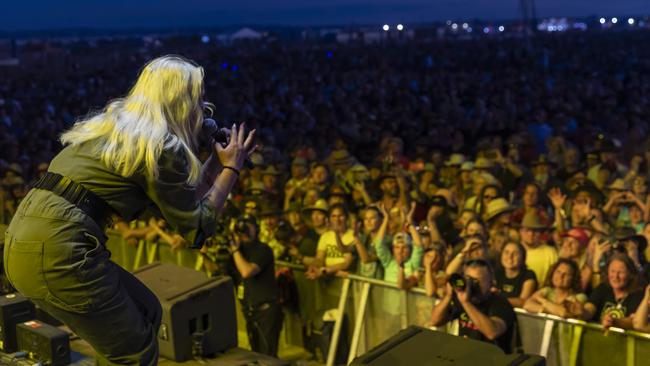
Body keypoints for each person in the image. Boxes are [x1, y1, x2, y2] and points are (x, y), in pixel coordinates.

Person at [3, 55, 256, 365]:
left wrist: (218, 162)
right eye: (199, 98)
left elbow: (187, 204)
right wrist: (232, 168)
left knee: (147, 309)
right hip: (58, 251)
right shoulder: (162, 146)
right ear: (182, 100)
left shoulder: (112, 127)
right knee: (133, 353)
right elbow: (197, 227)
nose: (205, 107)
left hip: (24, 243)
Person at [431, 259, 516, 353]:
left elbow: (492, 332)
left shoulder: (500, 303)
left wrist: (466, 303)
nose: (472, 284)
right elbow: (434, 321)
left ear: (491, 282)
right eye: (468, 279)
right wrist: (448, 296)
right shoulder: (461, 299)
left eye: (477, 280)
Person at [228, 216, 283, 357]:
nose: (244, 228)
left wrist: (235, 251)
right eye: (241, 225)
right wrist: (206, 254)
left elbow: (247, 271)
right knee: (256, 354)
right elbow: (218, 272)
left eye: (248, 225)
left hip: (266, 311)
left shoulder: (263, 249)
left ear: (256, 228)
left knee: (268, 357)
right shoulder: (237, 252)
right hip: (250, 312)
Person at [584, 254, 644, 330]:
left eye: (621, 272)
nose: (615, 276)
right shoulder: (603, 288)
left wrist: (614, 322)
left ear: (631, 274)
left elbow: (634, 322)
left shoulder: (639, 295)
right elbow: (590, 309)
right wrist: (581, 312)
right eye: (612, 271)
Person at [523, 259, 587, 318]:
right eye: (558, 272)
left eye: (566, 274)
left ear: (573, 278)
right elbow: (527, 305)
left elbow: (563, 313)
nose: (561, 276)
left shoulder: (579, 298)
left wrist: (542, 300)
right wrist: (546, 310)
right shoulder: (547, 290)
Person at [495, 242, 537, 307]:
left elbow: (524, 302)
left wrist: (497, 300)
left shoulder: (529, 275)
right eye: (506, 252)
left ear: (523, 257)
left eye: (515, 253)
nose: (510, 257)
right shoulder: (496, 273)